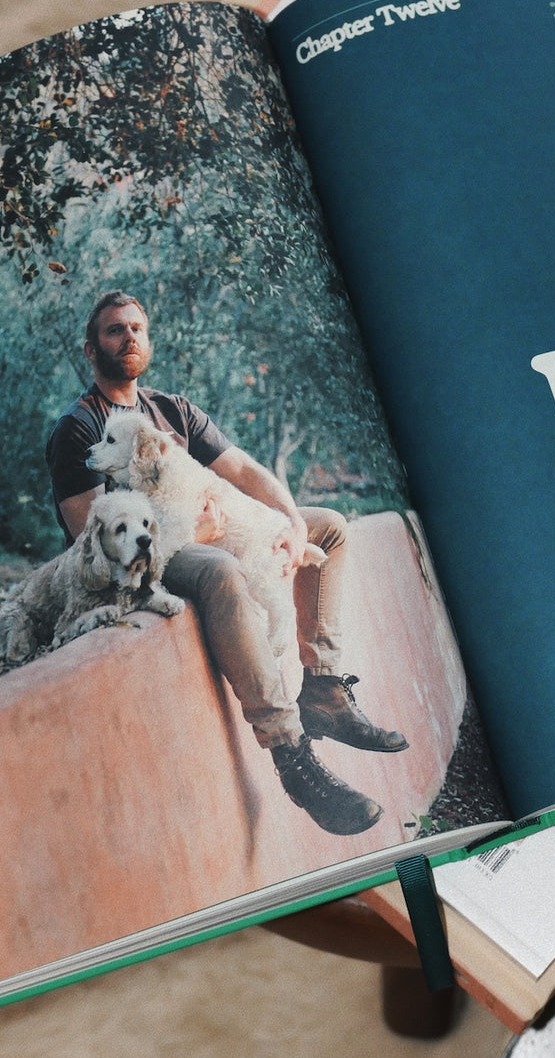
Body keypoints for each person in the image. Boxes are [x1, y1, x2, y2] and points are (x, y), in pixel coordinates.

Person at [45, 289, 409, 837]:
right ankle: (292, 756)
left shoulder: (172, 410)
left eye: (137, 328)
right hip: (154, 560)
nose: (129, 338)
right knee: (220, 569)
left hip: (207, 528)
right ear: (92, 349)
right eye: (115, 330)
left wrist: (291, 521)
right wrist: (196, 533)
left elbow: (244, 471)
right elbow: (94, 547)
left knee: (328, 528)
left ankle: (324, 691)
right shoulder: (77, 430)